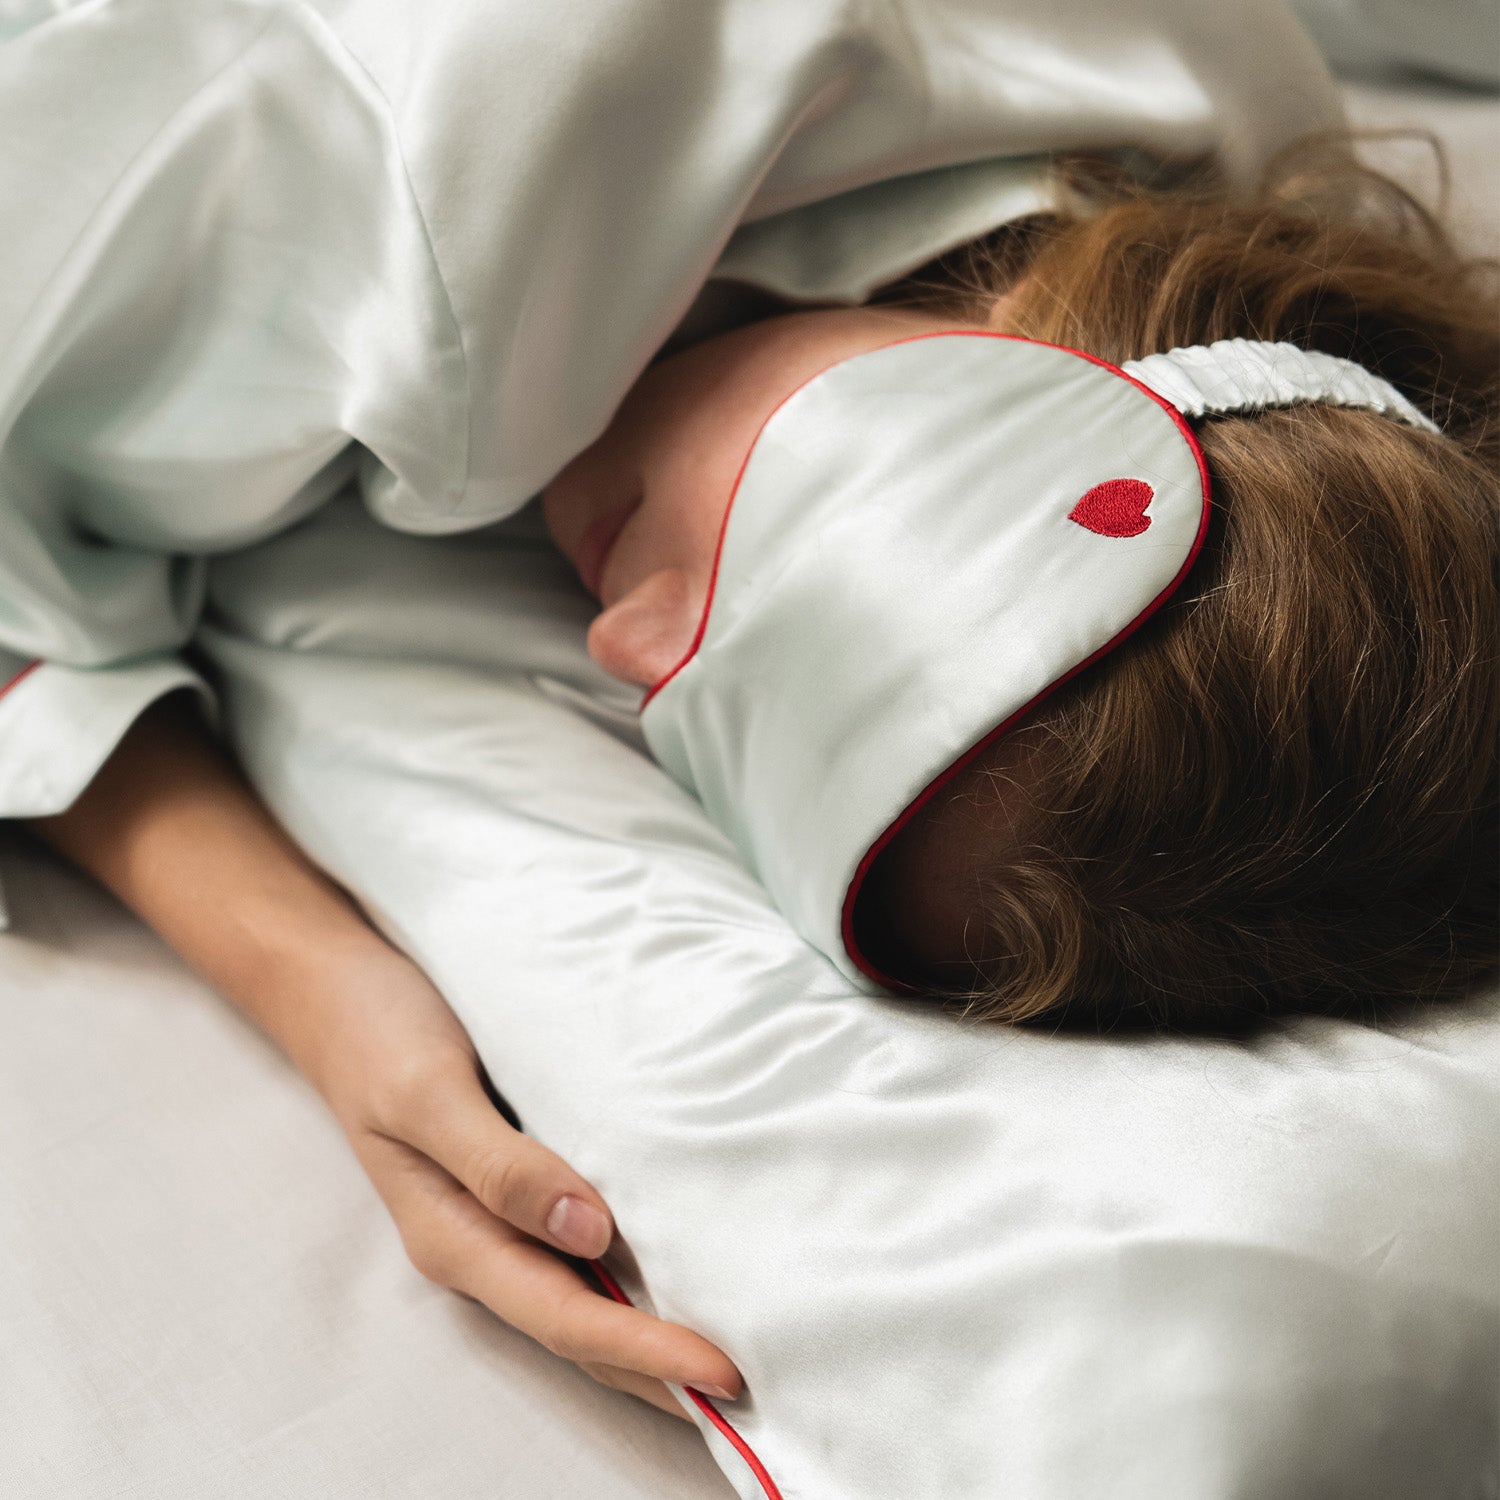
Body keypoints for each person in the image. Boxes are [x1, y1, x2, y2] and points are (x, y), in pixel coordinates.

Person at [2, 0, 1491, 1431]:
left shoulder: (1241, 184)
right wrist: (307, 974)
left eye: (719, 742)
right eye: (772, 599)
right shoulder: (436, 218)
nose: (617, 640)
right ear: (1026, 349)